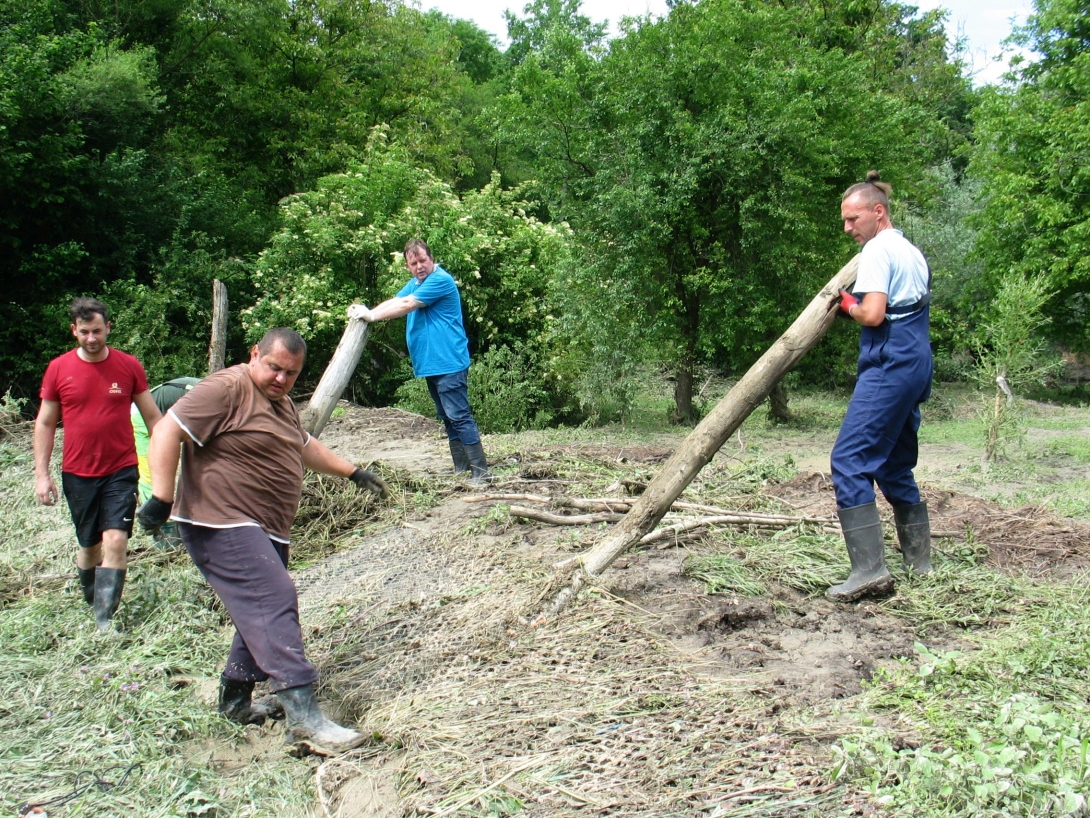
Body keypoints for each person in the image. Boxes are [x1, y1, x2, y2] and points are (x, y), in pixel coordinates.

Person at [138, 328, 389, 752]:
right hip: (219, 521)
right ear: (254, 354)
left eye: (290, 374)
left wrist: (352, 472)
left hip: (263, 526)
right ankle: (305, 717)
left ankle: (234, 702)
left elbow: (304, 445)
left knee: (256, 611)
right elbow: (166, 431)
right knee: (273, 599)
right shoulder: (227, 388)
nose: (280, 379)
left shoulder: (282, 404)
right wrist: (161, 497)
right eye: (274, 367)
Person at [828, 170, 933, 602]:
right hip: (917, 358)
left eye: (854, 219)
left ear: (878, 212)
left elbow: (872, 315)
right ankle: (920, 564)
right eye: (845, 222)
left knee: (849, 460)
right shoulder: (911, 251)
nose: (849, 229)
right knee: (892, 465)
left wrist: (846, 303)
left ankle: (869, 571)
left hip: (889, 362)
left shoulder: (876, 251)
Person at [34, 297, 162, 631]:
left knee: (116, 540)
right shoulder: (58, 369)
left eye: (98, 330)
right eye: (85, 331)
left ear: (108, 328)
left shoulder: (128, 366)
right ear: (74, 331)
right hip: (77, 473)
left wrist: (169, 460)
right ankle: (93, 600)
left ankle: (106, 620)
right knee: (89, 547)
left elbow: (152, 417)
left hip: (120, 470)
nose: (92, 338)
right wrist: (41, 475)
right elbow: (45, 423)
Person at [347, 238, 490, 483]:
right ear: (407, 266)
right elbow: (395, 299)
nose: (419, 266)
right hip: (432, 364)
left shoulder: (440, 281)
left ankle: (482, 473)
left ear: (431, 259)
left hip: (449, 362)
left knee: (459, 415)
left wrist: (371, 316)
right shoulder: (416, 283)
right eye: (413, 263)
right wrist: (366, 310)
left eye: (423, 260)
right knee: (447, 416)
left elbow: (406, 305)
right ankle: (461, 467)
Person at [133, 377, 201, 547]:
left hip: (172, 419)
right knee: (153, 474)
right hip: (143, 416)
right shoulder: (214, 399)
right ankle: (162, 529)